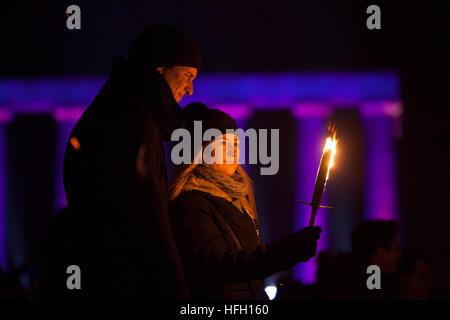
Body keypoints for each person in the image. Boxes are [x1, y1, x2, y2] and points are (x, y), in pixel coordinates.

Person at [40, 25, 201, 298]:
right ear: (160, 68)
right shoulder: (133, 120)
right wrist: (177, 291)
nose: (190, 89)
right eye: (186, 75)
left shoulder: (118, 109)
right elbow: (148, 217)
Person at [169, 102, 322, 300]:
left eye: (235, 144)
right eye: (224, 144)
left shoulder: (239, 199)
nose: (233, 151)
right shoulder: (191, 204)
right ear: (202, 151)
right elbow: (220, 265)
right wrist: (286, 250)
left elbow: (251, 271)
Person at [350, 219, 402, 299]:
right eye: (396, 249)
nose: (400, 255)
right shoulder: (378, 290)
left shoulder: (356, 284)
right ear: (380, 252)